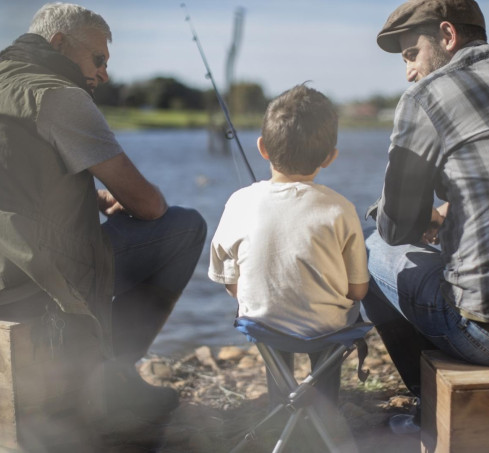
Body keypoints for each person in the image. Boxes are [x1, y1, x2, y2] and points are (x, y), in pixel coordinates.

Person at [0, 2, 206, 425]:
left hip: (8, 260)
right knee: (184, 226)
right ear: (58, 43)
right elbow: (148, 204)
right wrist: (124, 198)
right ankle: (112, 378)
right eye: (98, 59)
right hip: (37, 273)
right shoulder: (58, 95)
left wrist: (89, 197)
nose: (104, 74)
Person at [363, 0, 489, 405]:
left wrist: (416, 214)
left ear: (447, 36)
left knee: (371, 247)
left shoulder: (425, 97)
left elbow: (398, 228)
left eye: (411, 54)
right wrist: (456, 208)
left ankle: (424, 403)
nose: (409, 71)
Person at [208, 84, 369, 407]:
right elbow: (358, 292)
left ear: (262, 148)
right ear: (330, 157)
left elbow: (227, 279)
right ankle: (325, 410)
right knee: (332, 319)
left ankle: (282, 404)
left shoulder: (239, 202)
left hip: (263, 325)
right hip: (325, 331)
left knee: (268, 314)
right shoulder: (340, 209)